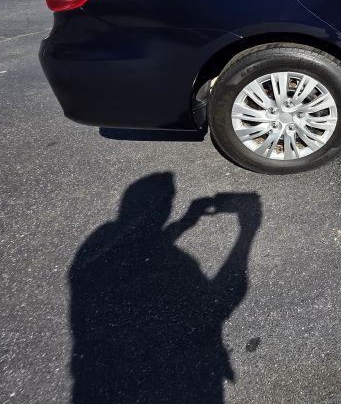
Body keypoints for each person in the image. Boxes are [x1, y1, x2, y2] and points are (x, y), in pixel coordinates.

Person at [68, 173, 261, 403]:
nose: (169, 206)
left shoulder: (101, 244)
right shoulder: (168, 267)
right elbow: (222, 302)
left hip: (100, 381)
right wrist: (247, 231)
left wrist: (186, 221)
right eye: (169, 199)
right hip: (183, 381)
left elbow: (144, 247)